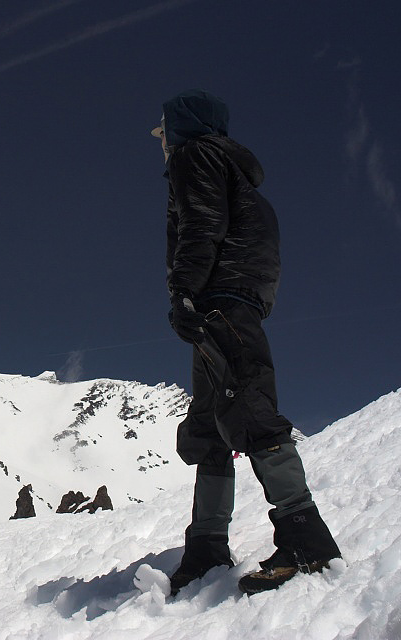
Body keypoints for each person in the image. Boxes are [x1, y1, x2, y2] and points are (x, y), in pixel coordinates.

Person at [153, 89, 341, 595]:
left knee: (249, 411)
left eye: (164, 130)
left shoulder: (196, 156)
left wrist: (184, 291)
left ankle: (306, 540)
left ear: (182, 127)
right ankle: (206, 547)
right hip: (232, 304)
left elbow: (202, 225)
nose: (162, 141)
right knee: (210, 423)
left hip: (220, 303)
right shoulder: (242, 183)